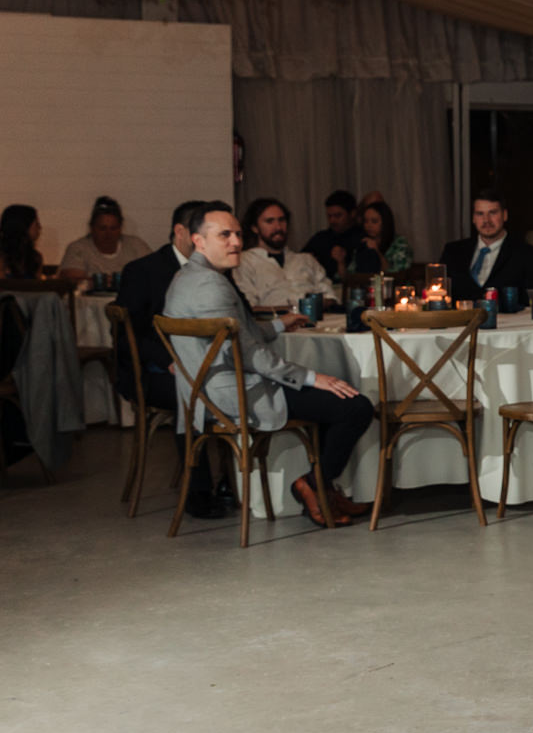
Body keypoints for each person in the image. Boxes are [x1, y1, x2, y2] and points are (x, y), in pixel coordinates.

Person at [164, 202, 375, 527]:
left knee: (331, 401)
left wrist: (279, 325)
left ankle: (322, 489)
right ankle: (311, 485)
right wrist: (309, 376)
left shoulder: (188, 277)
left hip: (205, 392)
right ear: (198, 241)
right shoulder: (210, 284)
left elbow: (235, 332)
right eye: (224, 235)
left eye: (236, 233)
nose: (235, 242)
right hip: (233, 393)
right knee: (355, 406)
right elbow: (248, 354)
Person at [116, 200, 239, 519]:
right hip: (153, 369)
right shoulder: (142, 271)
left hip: (206, 362)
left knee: (231, 380)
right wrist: (172, 359)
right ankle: (197, 492)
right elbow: (130, 334)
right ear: (183, 232)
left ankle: (235, 481)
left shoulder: (218, 266)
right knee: (192, 389)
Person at [439, 190, 533, 301]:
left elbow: (532, 302)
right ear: (473, 218)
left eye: (493, 213)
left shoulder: (528, 255)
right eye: (480, 214)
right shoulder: (453, 251)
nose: (486, 220)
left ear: (504, 215)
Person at [232, 199, 337, 309]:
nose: (278, 227)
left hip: (320, 321)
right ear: (255, 228)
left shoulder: (306, 260)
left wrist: (314, 305)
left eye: (282, 220)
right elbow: (248, 308)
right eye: (269, 221)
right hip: (274, 324)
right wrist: (294, 310)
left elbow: (330, 297)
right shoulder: (244, 262)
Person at [57, 196, 153, 281]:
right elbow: (72, 278)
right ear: (92, 228)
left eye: (113, 228)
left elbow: (155, 271)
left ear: (120, 228)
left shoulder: (136, 246)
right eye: (102, 228)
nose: (108, 234)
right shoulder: (78, 248)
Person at [301, 190, 363, 282]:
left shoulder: (362, 239)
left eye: (338, 216)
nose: (332, 220)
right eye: (329, 216)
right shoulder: (320, 238)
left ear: (352, 213)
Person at [346, 200, 412, 274]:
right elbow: (352, 273)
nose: (369, 225)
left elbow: (398, 274)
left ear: (385, 222)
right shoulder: (363, 242)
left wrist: (376, 251)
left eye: (374, 221)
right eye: (366, 221)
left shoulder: (400, 243)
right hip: (365, 284)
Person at [0, 204, 42, 278]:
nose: (39, 228)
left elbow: (37, 285)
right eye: (36, 223)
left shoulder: (35, 257)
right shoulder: (2, 255)